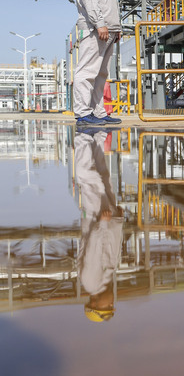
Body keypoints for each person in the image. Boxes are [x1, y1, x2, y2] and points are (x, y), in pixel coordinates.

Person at [71, 0, 122, 128]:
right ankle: (83, 113)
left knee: (101, 74)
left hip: (108, 29)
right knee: (87, 71)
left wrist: (116, 28)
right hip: (95, 28)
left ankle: (98, 112)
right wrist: (99, 22)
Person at [74, 128, 124, 323]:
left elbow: (94, 251)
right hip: (109, 219)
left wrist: (102, 225)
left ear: (94, 303)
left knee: (87, 177)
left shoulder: (91, 282)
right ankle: (97, 135)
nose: (112, 304)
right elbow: (113, 250)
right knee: (102, 175)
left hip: (98, 218)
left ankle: (83, 136)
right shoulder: (106, 280)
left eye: (108, 307)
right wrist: (119, 221)